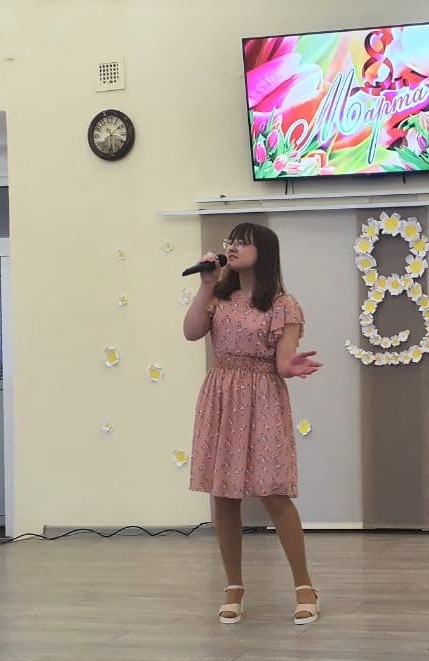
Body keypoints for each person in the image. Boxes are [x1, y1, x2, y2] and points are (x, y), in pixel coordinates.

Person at [182, 222, 323, 625]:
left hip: (263, 397)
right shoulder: (218, 297)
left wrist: (291, 367)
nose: (233, 247)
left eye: (243, 243)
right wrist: (206, 285)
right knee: (224, 494)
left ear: (266, 252)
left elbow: (282, 362)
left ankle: (304, 586)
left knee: (274, 492)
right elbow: (191, 332)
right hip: (221, 395)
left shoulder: (283, 304)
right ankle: (233, 587)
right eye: (231, 242)